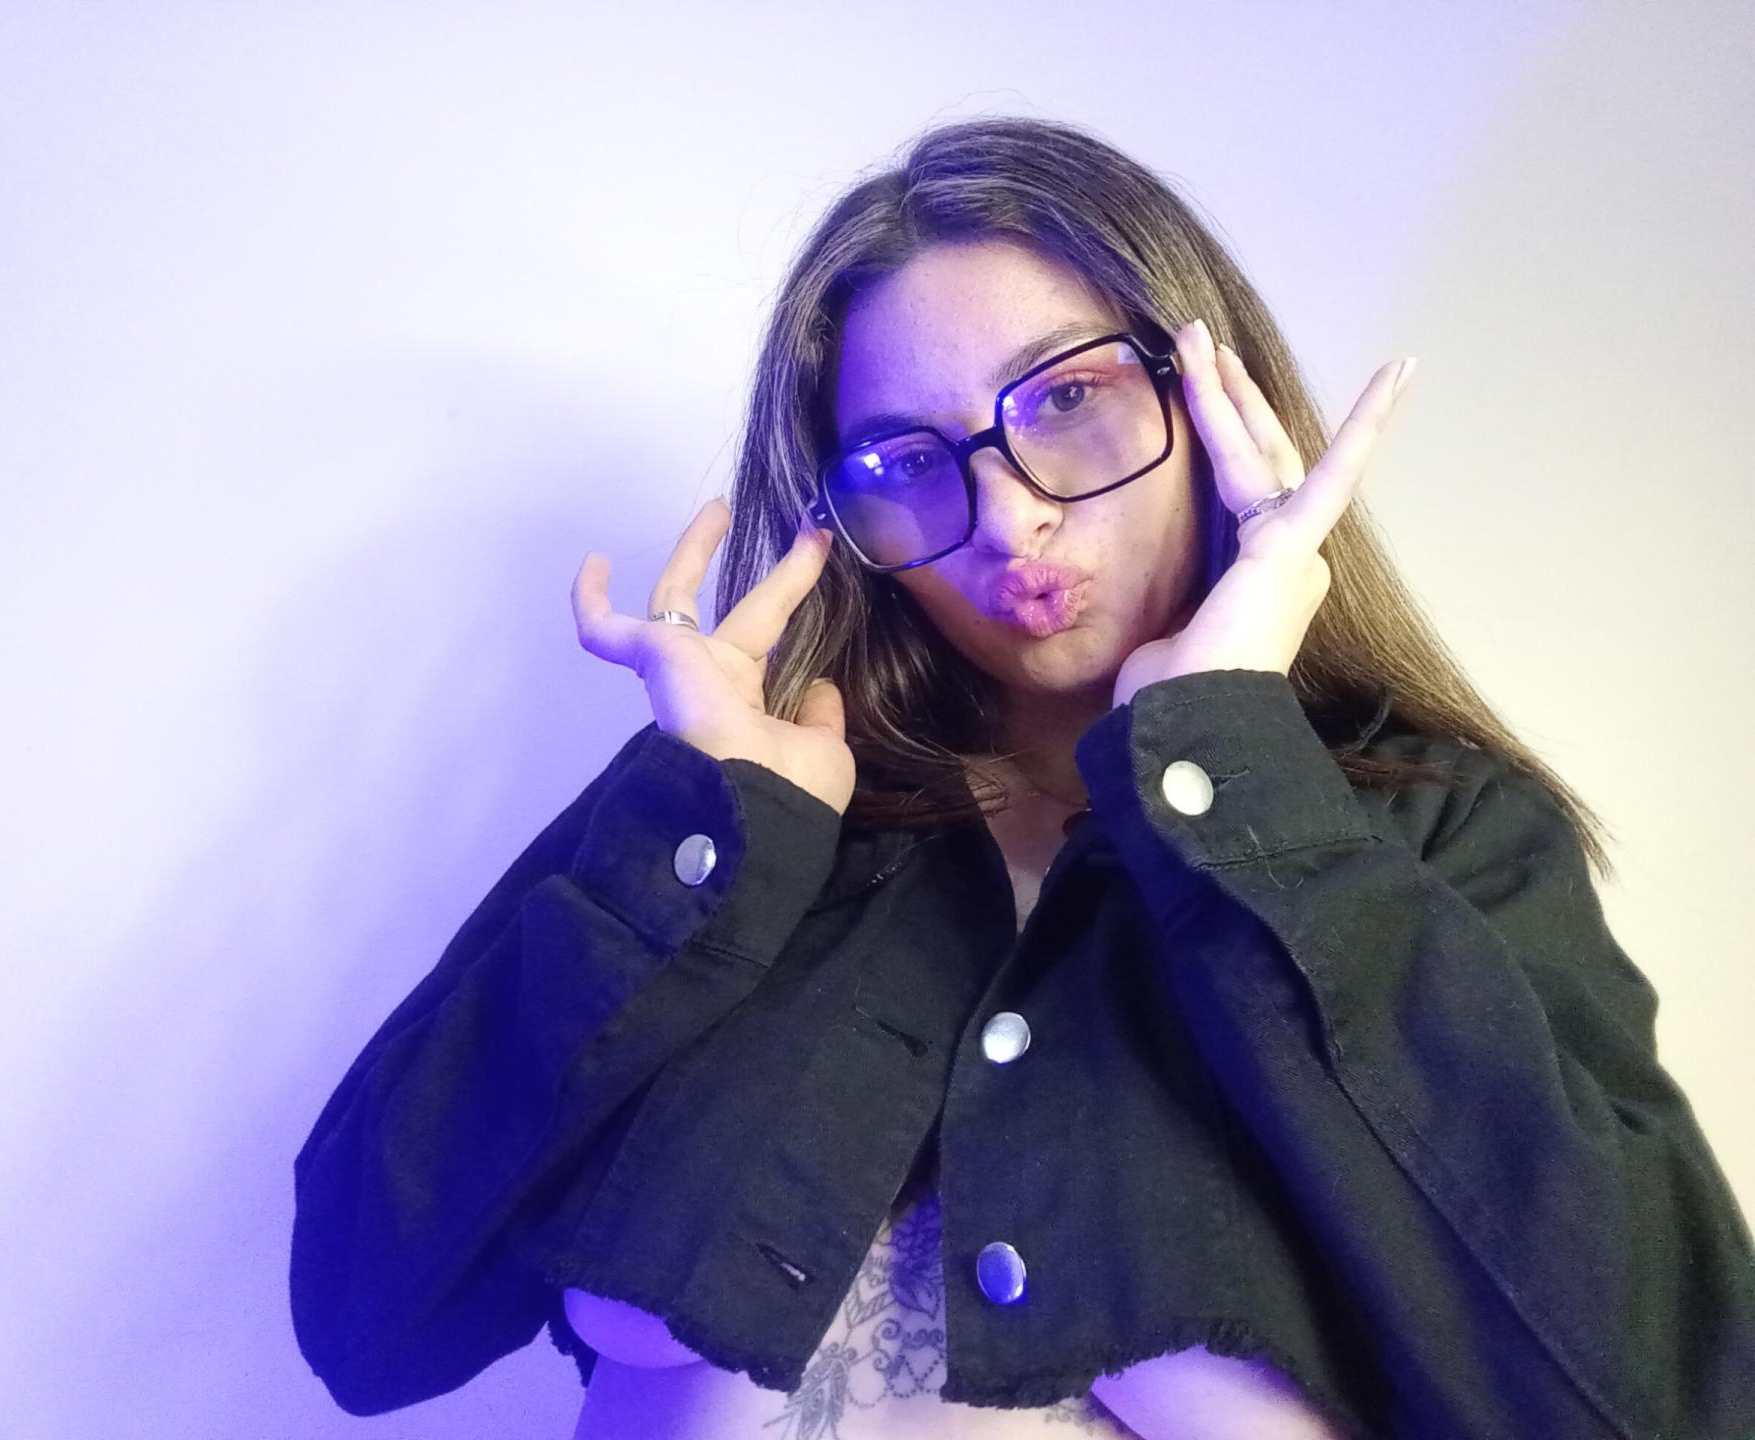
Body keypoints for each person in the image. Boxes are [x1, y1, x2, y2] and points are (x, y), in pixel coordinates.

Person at [289, 116, 1755, 1438]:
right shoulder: (742, 813)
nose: (1006, 522)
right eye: (902, 460)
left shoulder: (1433, 829)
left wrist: (1236, 775)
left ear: (1213, 394)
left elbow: (1663, 1398)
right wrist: (697, 838)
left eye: (1064, 400)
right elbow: (362, 1312)